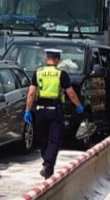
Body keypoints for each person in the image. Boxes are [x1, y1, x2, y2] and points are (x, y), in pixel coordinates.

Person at [25, 48, 85, 178]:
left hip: (40, 110)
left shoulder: (38, 73)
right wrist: (78, 105)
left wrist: (27, 110)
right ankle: (48, 164)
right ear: (58, 60)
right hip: (54, 110)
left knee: (43, 139)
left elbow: (31, 93)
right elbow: (70, 93)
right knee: (55, 140)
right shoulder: (61, 74)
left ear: (46, 59)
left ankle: (47, 164)